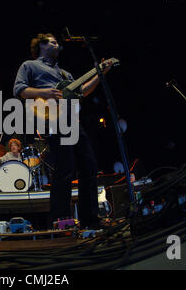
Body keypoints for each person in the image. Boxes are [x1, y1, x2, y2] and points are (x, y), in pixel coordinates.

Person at [13, 33, 115, 229]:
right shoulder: (30, 66)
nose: (57, 44)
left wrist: (100, 74)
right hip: (53, 119)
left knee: (89, 166)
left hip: (73, 121)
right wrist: (43, 92)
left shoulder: (65, 74)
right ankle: (61, 220)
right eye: (52, 42)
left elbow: (82, 91)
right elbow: (20, 89)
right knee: (65, 169)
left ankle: (91, 219)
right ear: (41, 45)